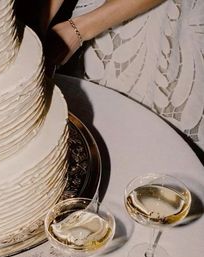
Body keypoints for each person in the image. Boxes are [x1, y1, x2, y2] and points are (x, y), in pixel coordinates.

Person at [38, 0, 204, 151]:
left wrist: (78, 29)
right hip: (90, 14)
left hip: (162, 18)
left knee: (155, 143)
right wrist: (41, 20)